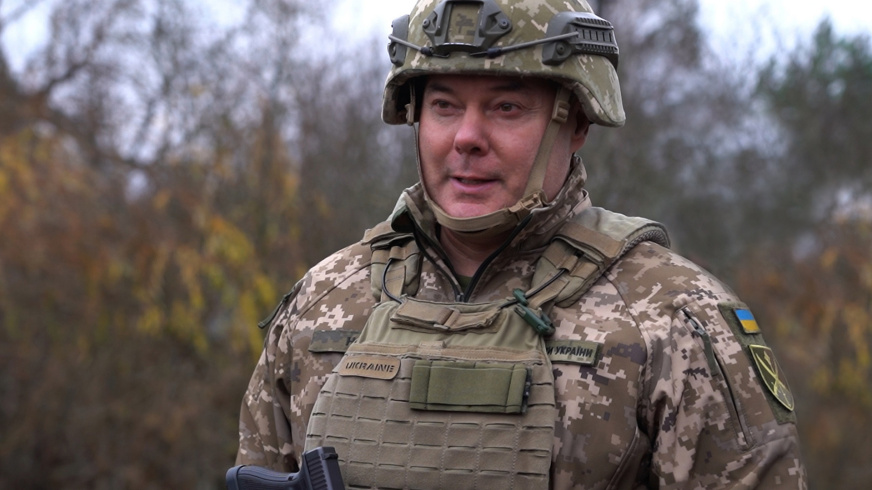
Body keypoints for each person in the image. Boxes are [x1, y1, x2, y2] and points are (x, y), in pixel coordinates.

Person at [235, 0, 806, 488]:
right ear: (416, 117)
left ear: (576, 123)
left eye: (506, 107)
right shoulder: (322, 303)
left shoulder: (674, 319)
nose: (467, 138)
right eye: (444, 106)